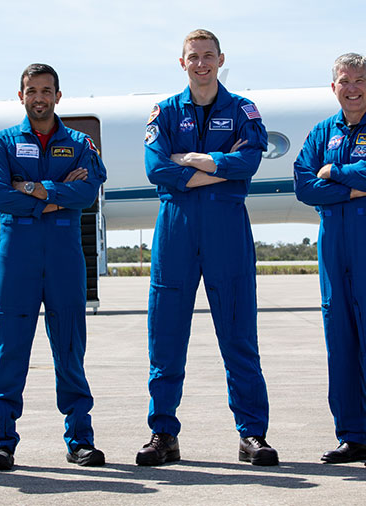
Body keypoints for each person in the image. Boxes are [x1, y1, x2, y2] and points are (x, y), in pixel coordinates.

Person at [137, 29, 278, 467]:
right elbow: (156, 168)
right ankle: (163, 433)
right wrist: (222, 165)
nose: (201, 63)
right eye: (193, 57)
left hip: (226, 229)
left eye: (208, 56)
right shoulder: (163, 112)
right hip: (176, 229)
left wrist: (197, 160)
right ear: (183, 63)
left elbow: (251, 160)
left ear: (220, 59)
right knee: (166, 336)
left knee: (239, 335)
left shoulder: (242, 110)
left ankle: (252, 434)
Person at [0, 63, 107, 471]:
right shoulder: (1, 143)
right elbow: (1, 196)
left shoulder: (81, 143)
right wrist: (57, 197)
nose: (39, 97)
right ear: (21, 96)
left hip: (64, 259)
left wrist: (35, 189)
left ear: (58, 95)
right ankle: (1, 441)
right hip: (18, 258)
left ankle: (80, 439)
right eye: (31, 90)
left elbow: (88, 190)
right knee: (10, 350)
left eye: (46, 90)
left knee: (70, 349)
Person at [293, 53, 366, 468]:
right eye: (345, 81)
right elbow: (304, 185)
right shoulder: (321, 131)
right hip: (333, 244)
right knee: (340, 339)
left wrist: (334, 173)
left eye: (360, 80)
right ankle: (353, 435)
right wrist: (350, 186)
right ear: (334, 88)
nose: (353, 87)